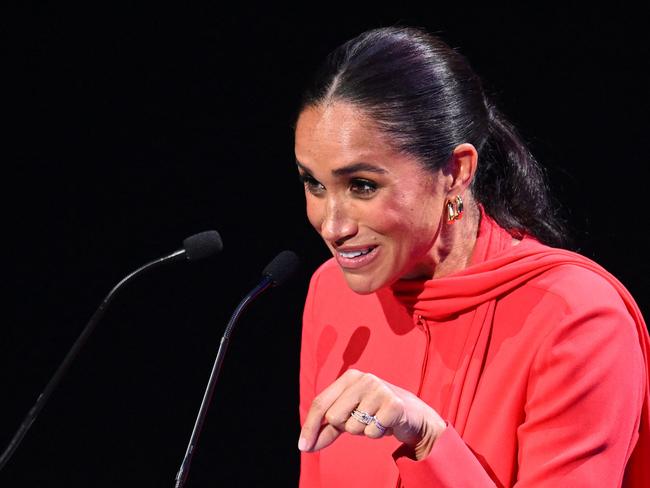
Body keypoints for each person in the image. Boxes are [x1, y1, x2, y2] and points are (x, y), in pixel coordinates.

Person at [293, 26, 650, 487]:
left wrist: (428, 439)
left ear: (455, 171)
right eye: (314, 184)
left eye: (363, 185)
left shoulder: (577, 318)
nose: (332, 225)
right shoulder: (332, 291)